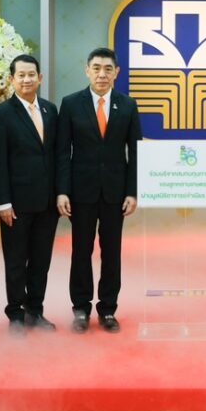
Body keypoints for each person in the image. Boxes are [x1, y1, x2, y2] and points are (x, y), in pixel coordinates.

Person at [56, 47, 142, 333]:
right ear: (87, 70)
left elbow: (136, 152)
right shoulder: (71, 104)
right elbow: (62, 152)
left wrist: (132, 192)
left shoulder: (128, 105)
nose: (102, 74)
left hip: (115, 193)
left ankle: (108, 309)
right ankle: (81, 309)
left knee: (111, 253)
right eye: (96, 68)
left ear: (117, 72)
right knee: (81, 251)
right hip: (81, 192)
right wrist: (62, 191)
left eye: (108, 69)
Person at [0, 54, 60, 333]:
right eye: (21, 75)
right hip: (15, 203)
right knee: (16, 261)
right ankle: (16, 314)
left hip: (47, 202)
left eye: (32, 75)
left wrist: (60, 194)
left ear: (40, 78)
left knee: (41, 261)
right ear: (12, 79)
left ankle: (35, 311)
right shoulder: (1, 114)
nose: (27, 79)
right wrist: (3, 202)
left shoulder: (50, 110)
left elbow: (57, 155)